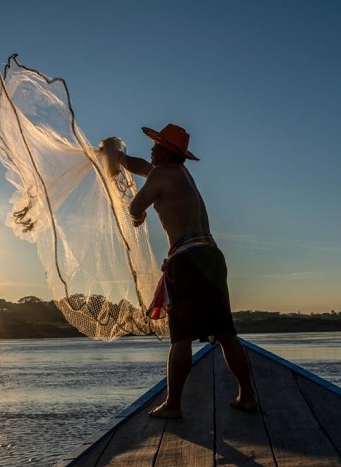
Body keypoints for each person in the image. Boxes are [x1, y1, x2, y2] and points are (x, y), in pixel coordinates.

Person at [117, 123, 257, 419]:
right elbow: (142, 166)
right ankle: (247, 395)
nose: (152, 148)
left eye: (156, 144)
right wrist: (119, 158)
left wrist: (138, 215)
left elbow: (135, 205)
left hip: (188, 258)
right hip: (211, 255)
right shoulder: (179, 174)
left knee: (180, 337)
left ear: (166, 151)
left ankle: (173, 405)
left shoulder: (162, 174)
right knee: (225, 332)